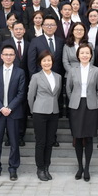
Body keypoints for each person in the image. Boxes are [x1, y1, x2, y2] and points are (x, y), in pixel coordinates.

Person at [67, 43, 98, 182]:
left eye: (87, 53)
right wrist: (75, 99)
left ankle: (87, 168)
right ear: (78, 55)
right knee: (77, 137)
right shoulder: (72, 70)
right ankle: (80, 167)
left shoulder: (96, 70)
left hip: (91, 107)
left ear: (91, 55)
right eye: (82, 53)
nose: (84, 55)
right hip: (76, 106)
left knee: (88, 138)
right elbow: (68, 89)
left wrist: (92, 100)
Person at [0, 45, 26, 181]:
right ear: (1, 56)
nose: (8, 57)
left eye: (11, 54)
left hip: (13, 113)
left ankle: (13, 169)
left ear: (15, 57)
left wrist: (9, 108)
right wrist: (1, 108)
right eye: (6, 54)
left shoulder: (20, 72)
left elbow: (21, 93)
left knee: (14, 142)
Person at [28, 51, 62, 182]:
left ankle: (47, 167)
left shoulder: (58, 76)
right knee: (41, 142)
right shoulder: (36, 77)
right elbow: (30, 96)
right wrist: (33, 110)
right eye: (44, 61)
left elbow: (57, 94)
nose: (47, 63)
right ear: (40, 63)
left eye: (49, 60)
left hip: (54, 112)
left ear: (52, 62)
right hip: (39, 112)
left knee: (50, 142)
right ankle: (40, 168)